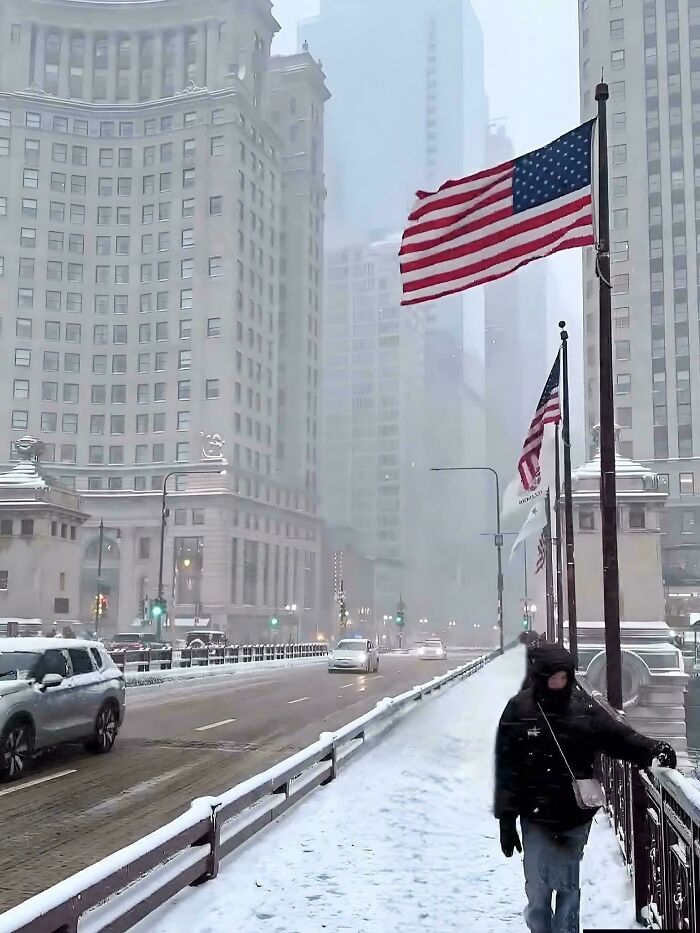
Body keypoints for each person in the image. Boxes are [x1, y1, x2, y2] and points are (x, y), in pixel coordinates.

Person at [494, 643, 677, 933]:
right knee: (538, 892)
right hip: (536, 816)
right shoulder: (519, 710)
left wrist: (652, 750)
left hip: (573, 816)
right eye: (552, 677)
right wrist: (507, 819)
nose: (558, 682)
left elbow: (619, 738)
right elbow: (507, 768)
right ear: (540, 676)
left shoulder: (584, 708)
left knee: (568, 890)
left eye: (563, 676)